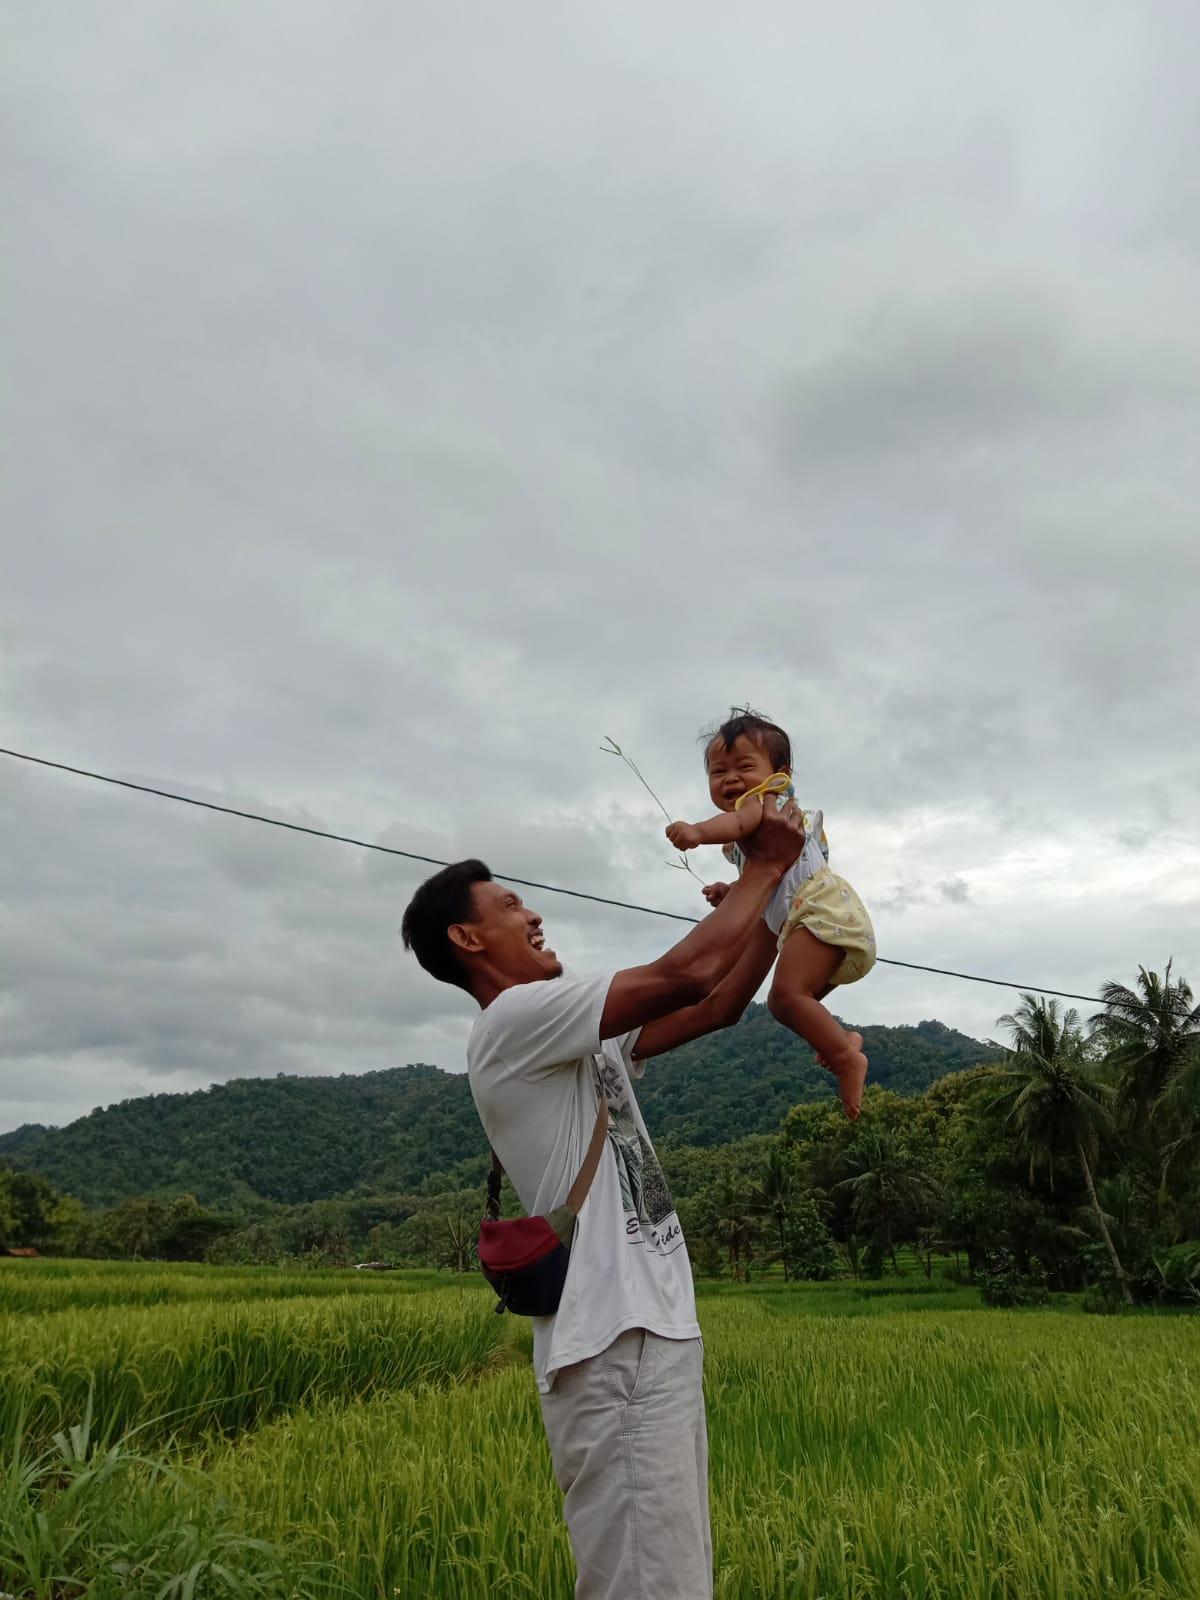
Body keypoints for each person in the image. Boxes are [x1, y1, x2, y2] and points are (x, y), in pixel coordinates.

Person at [399, 797, 805, 1600]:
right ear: (468, 939)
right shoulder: (515, 1018)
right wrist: (764, 866)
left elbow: (715, 1003)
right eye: (512, 905)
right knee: (648, 1586)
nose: (535, 913)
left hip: (648, 1334)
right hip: (615, 1341)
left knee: (674, 1576)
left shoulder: (564, 1032)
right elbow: (682, 972)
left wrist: (772, 909)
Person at [666, 707, 876, 1120]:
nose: (730, 779)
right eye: (718, 771)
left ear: (779, 773)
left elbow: (736, 823)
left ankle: (846, 1057)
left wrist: (696, 832)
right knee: (798, 999)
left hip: (818, 911)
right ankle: (841, 1042)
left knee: (784, 999)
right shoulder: (759, 828)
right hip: (809, 916)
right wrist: (732, 892)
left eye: (744, 766)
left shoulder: (764, 802)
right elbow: (768, 882)